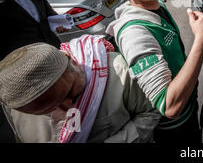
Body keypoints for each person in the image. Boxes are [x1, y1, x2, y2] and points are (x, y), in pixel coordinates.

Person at [104, 0, 203, 143]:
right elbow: (169, 106)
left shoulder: (157, 4)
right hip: (173, 128)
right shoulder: (134, 33)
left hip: (190, 108)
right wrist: (201, 39)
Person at [0, 39, 161, 143]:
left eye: (70, 94)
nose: (69, 109)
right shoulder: (12, 105)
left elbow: (150, 112)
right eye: (48, 110)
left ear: (72, 61)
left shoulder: (119, 71)